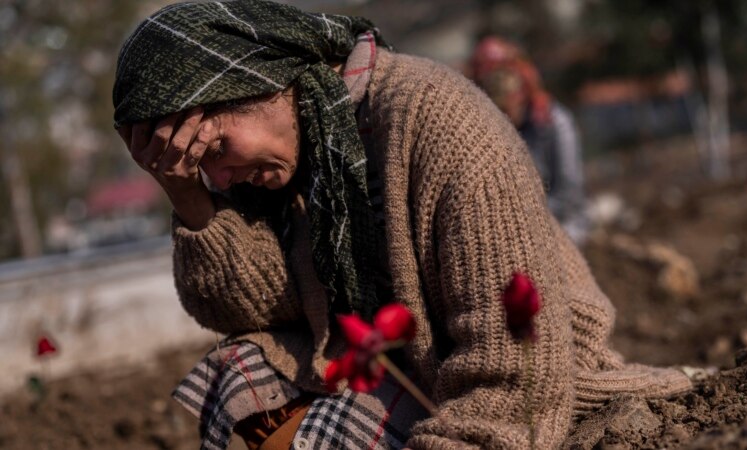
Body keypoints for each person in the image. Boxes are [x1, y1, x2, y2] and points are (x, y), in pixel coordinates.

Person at [113, 1, 691, 449]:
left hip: (534, 386)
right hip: (418, 369)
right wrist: (185, 192)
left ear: (260, 83)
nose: (222, 174)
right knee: (238, 374)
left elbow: (518, 373)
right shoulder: (304, 151)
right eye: (200, 165)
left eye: (216, 147)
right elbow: (253, 308)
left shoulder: (438, 123)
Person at [469, 36, 590, 246]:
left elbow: (568, 195)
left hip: (562, 229)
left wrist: (518, 217)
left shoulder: (554, 123)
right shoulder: (487, 131)